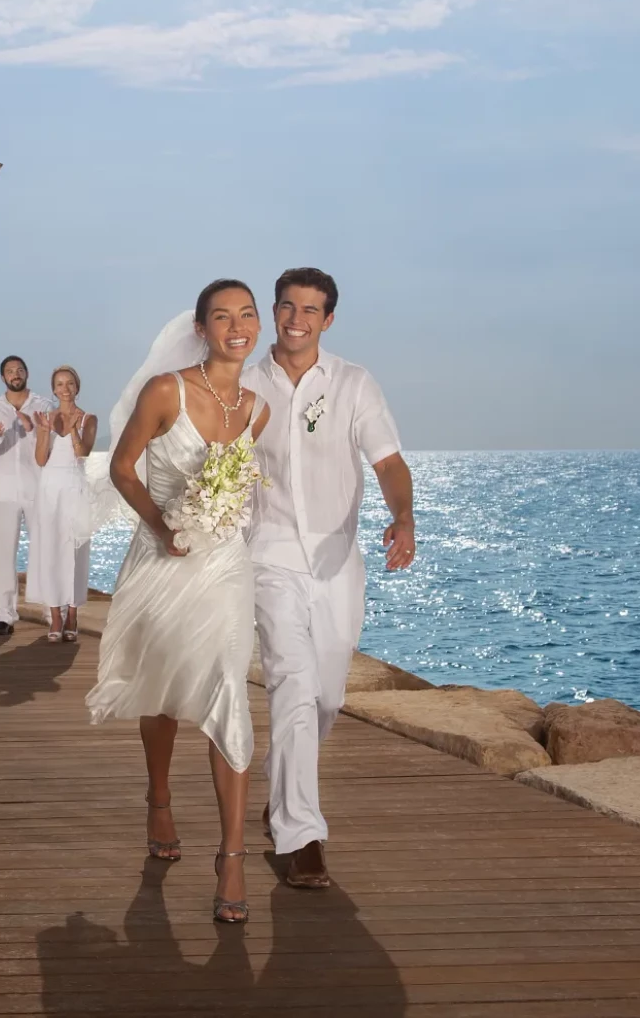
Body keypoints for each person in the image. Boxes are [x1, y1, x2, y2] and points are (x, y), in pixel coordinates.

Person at [88, 280, 271, 926]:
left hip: (224, 567)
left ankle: (233, 856)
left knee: (227, 686)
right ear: (201, 328)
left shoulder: (258, 408)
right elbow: (123, 469)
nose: (237, 326)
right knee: (162, 690)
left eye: (247, 314)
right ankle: (159, 797)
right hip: (163, 558)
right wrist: (163, 525)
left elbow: (244, 492)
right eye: (223, 316)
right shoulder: (166, 391)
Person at [242, 266, 416, 892]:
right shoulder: (244, 383)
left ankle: (282, 786)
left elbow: (389, 462)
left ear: (328, 319)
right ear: (275, 310)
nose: (296, 319)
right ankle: (301, 834)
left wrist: (404, 517)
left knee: (325, 698)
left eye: (310, 310)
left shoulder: (353, 383)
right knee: (290, 683)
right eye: (287, 307)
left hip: (338, 560)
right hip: (269, 554)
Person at [0, 355, 54, 636]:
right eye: (9, 371)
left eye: (19, 369)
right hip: (4, 490)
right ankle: (5, 615)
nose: (15, 374)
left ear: (27, 373)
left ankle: (50, 611)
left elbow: (55, 444)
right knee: (3, 553)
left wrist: (34, 430)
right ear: (3, 377)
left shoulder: (43, 405)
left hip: (37, 489)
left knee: (43, 549)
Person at [29, 366, 95, 642]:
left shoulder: (88, 418)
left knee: (74, 550)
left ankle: (72, 612)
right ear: (53, 389)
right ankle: (55, 615)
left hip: (74, 486)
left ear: (77, 387)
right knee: (51, 550)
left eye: (70, 383)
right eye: (59, 384)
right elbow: (41, 459)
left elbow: (83, 452)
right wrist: (45, 431)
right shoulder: (46, 417)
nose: (65, 388)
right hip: (49, 488)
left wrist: (73, 430)